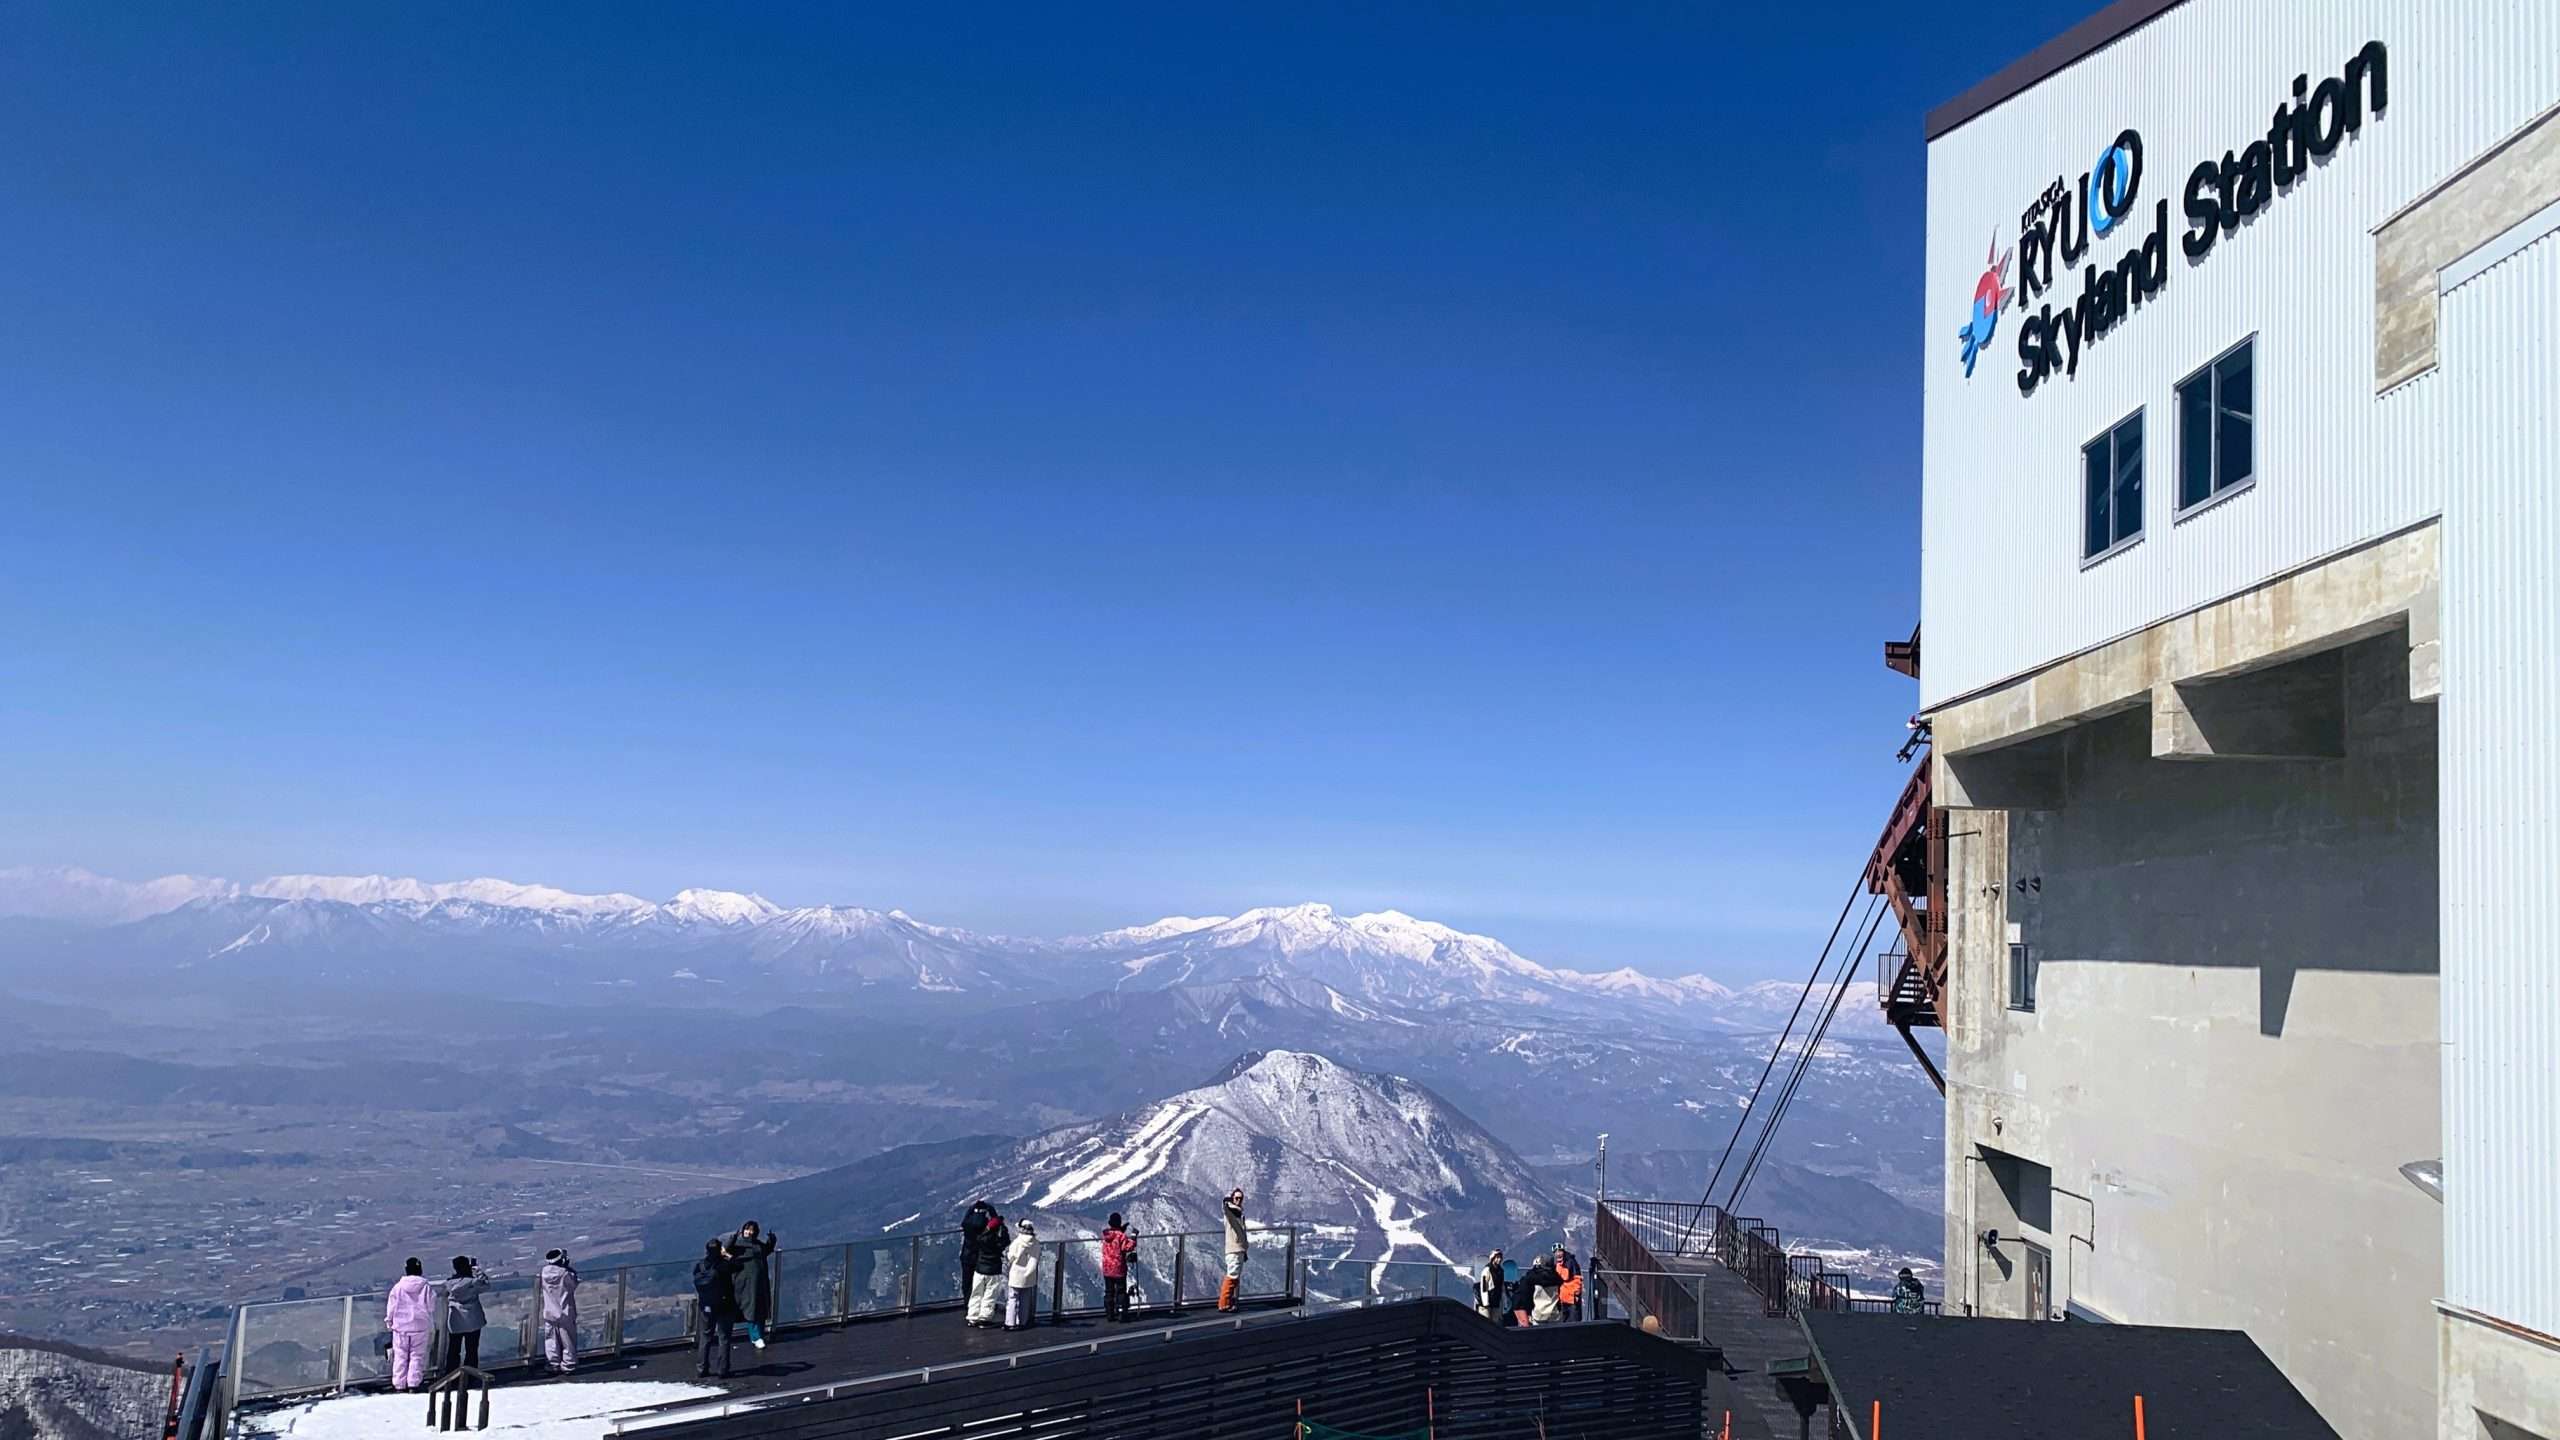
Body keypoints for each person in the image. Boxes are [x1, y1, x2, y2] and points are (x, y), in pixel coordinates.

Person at [384, 1258, 436, 1392]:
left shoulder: (398, 1287)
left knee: (400, 1356)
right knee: (417, 1356)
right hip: (420, 1326)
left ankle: (399, 1384)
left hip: (401, 1327)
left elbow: (392, 1306)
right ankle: (413, 1384)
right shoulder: (426, 1287)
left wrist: (389, 1321)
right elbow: (431, 1306)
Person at [724, 1221, 777, 1350]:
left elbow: (767, 1250)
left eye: (751, 1230)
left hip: (759, 1283)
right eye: (747, 1230)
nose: (749, 1232)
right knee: (751, 1309)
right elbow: (725, 1250)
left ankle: (759, 1335)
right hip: (745, 1284)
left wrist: (771, 1240)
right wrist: (733, 1238)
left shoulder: (757, 1245)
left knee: (760, 1308)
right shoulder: (738, 1245)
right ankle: (755, 1337)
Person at [692, 1238, 741, 1378]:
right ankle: (722, 1369)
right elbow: (739, 1265)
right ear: (720, 1249)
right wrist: (728, 1255)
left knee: (705, 1336)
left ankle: (702, 1368)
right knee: (724, 1337)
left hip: (706, 1306)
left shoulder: (700, 1266)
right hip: (725, 1305)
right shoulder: (724, 1265)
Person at [441, 1256, 491, 1374]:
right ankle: (471, 1376)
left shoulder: (448, 1283)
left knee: (453, 1350)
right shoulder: (472, 1282)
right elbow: (486, 1285)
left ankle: (451, 1376)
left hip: (455, 1321)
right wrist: (477, 1270)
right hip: (473, 1320)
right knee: (472, 1350)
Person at [537, 1249, 580, 1374]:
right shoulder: (565, 1274)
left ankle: (553, 1364)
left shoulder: (544, 1272)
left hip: (549, 1311)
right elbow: (573, 1285)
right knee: (568, 1340)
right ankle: (569, 1365)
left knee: (551, 1340)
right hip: (565, 1311)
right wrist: (569, 1269)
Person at [966, 1210, 1009, 1328]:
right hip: (993, 1270)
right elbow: (1006, 1241)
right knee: (990, 1294)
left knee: (976, 1293)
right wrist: (1003, 1227)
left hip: (979, 1269)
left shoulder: (980, 1237)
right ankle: (984, 1318)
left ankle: (972, 1317)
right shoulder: (997, 1241)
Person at [959, 1201, 997, 1325]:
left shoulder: (967, 1224)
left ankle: (968, 1307)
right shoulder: (986, 1225)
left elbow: (964, 1220)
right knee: (980, 1286)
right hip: (980, 1258)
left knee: (967, 1282)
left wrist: (972, 1208)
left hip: (966, 1256)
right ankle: (981, 1312)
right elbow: (996, 1221)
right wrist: (990, 1209)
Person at [1100, 1215, 1138, 1323]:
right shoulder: (1121, 1236)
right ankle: (1122, 1314)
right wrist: (1133, 1237)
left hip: (1107, 1268)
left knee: (1109, 1292)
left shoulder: (1106, 1235)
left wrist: (1120, 1230)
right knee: (1121, 1291)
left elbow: (1114, 1238)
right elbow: (1127, 1247)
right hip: (1118, 1268)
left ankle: (1109, 1314)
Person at [1003, 1220, 1040, 1331]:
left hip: (1016, 1274)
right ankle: (1023, 1322)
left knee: (1013, 1298)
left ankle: (1010, 1323)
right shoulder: (1036, 1243)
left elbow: (1011, 1257)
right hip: (1029, 1275)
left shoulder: (1017, 1242)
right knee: (1025, 1299)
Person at [1217, 1189, 1247, 1313]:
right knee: (1232, 1276)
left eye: (1241, 1198)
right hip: (1234, 1250)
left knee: (1234, 1276)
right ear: (1232, 1199)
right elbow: (1226, 1209)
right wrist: (1227, 1202)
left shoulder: (1238, 1214)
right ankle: (1223, 1304)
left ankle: (1229, 1302)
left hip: (1238, 1250)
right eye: (1236, 1198)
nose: (1239, 1200)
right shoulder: (1231, 1212)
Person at [1508, 1257, 1559, 1327]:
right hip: (1553, 1314)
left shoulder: (1531, 1277)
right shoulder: (1556, 1278)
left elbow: (1526, 1295)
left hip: (1537, 1314)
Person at [1473, 1250, 1506, 1322]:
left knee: (1495, 1323)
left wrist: (1503, 1301)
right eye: (1497, 1257)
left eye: (1500, 1258)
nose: (1499, 1259)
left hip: (1496, 1301)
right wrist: (1485, 1303)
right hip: (1487, 1303)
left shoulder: (1501, 1271)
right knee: (1486, 1323)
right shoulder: (1487, 1270)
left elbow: (1502, 1286)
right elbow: (1484, 1287)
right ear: (1492, 1258)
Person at [1553, 1248, 1583, 1322]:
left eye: (1560, 1251)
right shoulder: (1562, 1262)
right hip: (1564, 1297)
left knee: (1572, 1321)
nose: (1558, 1254)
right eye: (1556, 1252)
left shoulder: (1569, 1262)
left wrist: (1576, 1294)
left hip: (1571, 1297)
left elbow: (1565, 1276)